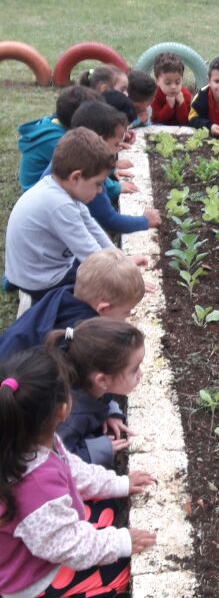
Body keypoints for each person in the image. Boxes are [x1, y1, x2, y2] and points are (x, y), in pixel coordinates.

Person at [0, 348, 156, 598]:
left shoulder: (27, 439)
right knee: (119, 576)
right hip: (33, 573)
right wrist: (121, 540)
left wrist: (120, 484)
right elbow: (67, 547)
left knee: (107, 502)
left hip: (40, 536)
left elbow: (75, 472)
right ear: (62, 409)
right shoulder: (37, 486)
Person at [5, 128, 145, 302]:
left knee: (102, 268)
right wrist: (125, 275)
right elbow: (89, 253)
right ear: (76, 177)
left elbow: (92, 228)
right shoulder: (59, 204)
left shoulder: (61, 189)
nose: (101, 190)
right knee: (103, 294)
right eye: (98, 183)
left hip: (43, 268)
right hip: (43, 282)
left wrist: (121, 259)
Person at [0, 249, 145, 360]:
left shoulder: (63, 293)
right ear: (103, 308)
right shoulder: (82, 335)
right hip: (14, 388)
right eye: (126, 311)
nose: (129, 315)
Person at [47, 318, 144, 468]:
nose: (140, 374)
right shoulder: (71, 416)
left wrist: (110, 412)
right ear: (102, 380)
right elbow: (57, 459)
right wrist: (99, 449)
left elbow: (105, 396)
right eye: (134, 369)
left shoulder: (87, 383)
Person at [67, 102, 161, 235]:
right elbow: (110, 220)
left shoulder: (70, 153)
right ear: (99, 141)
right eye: (116, 144)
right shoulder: (88, 178)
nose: (118, 149)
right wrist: (145, 221)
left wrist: (112, 170)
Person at [17, 85, 101, 191]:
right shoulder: (59, 141)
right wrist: (115, 187)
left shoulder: (55, 124)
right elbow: (88, 170)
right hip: (44, 196)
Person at [150, 52, 192, 126]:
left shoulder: (185, 95)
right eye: (167, 83)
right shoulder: (154, 95)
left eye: (177, 82)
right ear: (157, 81)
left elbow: (185, 121)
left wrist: (181, 104)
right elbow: (156, 120)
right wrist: (169, 106)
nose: (173, 87)